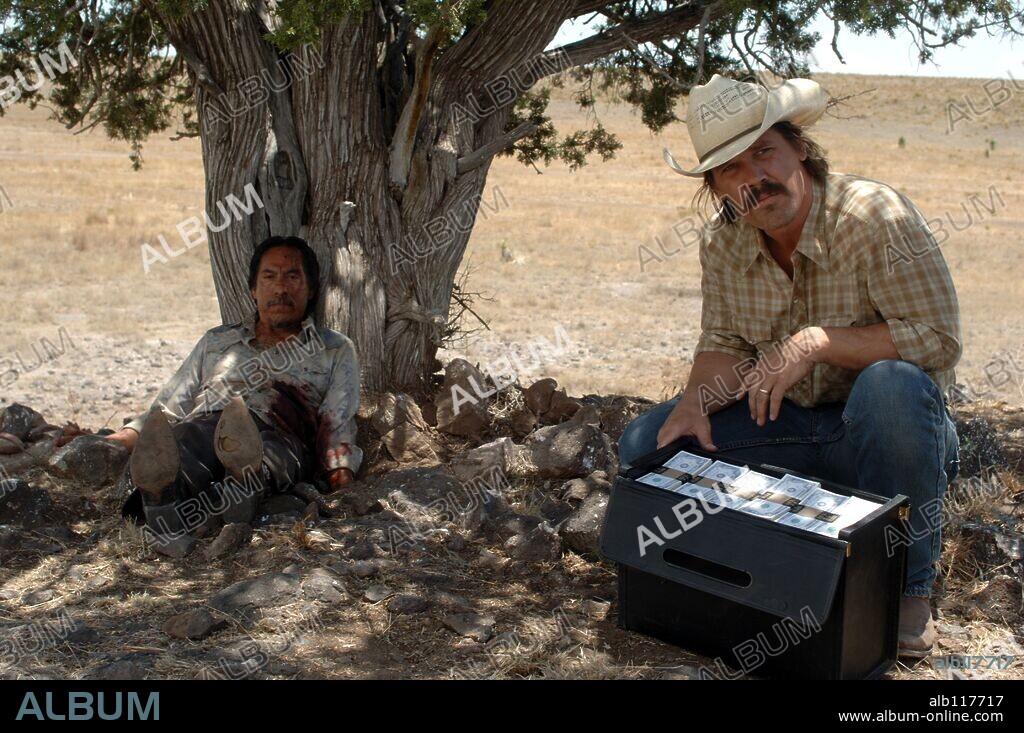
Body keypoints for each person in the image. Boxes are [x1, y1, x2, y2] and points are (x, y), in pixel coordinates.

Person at [620, 74, 961, 658]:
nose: (755, 179)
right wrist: (696, 401)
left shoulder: (875, 216)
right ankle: (737, 575)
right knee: (646, 442)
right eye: (732, 169)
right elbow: (723, 337)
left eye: (765, 153)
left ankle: (905, 588)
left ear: (799, 148)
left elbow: (936, 340)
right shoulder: (721, 243)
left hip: (883, 437)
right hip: (783, 428)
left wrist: (816, 343)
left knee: (891, 387)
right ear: (717, 188)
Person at [107, 236, 361, 547]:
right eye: (269, 277)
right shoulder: (217, 341)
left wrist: (340, 473)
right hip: (208, 423)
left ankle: (240, 491)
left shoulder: (334, 348)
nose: (281, 289)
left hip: (283, 434)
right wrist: (118, 441)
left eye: (292, 277)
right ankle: (162, 501)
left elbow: (337, 420)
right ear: (253, 289)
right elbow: (170, 407)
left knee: (267, 457)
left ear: (310, 290)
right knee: (184, 440)